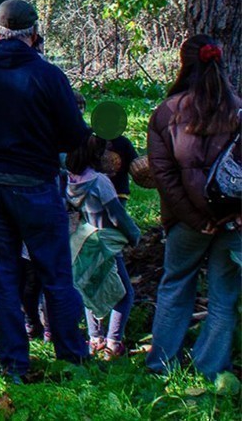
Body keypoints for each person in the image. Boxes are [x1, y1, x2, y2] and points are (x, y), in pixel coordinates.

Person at [0, 0, 90, 379]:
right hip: (35, 183)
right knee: (55, 273)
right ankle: (72, 357)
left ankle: (14, 362)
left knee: (3, 274)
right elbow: (75, 134)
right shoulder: (48, 75)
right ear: (33, 32)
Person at [146, 35, 241, 381]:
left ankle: (161, 365)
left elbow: (164, 176)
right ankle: (212, 366)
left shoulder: (166, 113)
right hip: (234, 223)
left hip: (187, 224)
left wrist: (194, 219)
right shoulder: (238, 109)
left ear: (184, 63)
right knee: (223, 296)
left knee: (175, 286)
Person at [65, 134, 141, 359]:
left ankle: (95, 338)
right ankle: (113, 342)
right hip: (106, 241)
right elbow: (117, 216)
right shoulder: (99, 182)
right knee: (124, 293)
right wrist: (134, 235)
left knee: (91, 288)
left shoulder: (69, 180)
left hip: (83, 240)